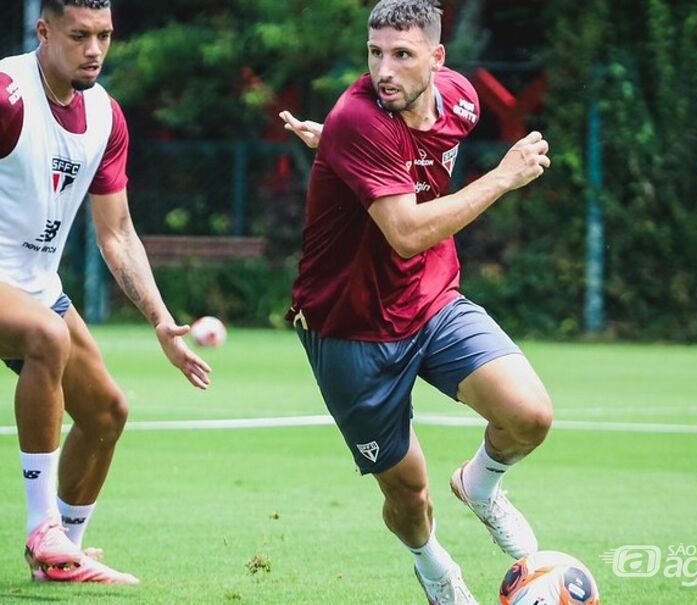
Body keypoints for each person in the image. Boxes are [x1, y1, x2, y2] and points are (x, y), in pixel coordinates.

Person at [279, 0, 552, 602]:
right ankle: (434, 570)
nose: (385, 70)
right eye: (375, 54)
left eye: (402, 55)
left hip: (432, 301)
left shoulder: (461, 100)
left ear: (437, 58)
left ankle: (480, 486)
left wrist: (340, 152)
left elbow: (409, 169)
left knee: (529, 416)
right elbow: (405, 233)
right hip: (349, 328)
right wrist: (503, 176)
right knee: (408, 494)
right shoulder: (358, 118)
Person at [0, 0, 211, 584]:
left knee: (105, 414)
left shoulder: (105, 118)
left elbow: (116, 232)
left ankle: (63, 555)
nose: (94, 49)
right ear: (44, 32)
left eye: (105, 35)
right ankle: (42, 528)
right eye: (79, 35)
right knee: (46, 335)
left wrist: (161, 322)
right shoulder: (6, 93)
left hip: (34, 285)